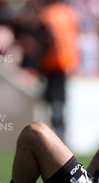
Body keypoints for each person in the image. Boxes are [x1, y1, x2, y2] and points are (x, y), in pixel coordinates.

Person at [37, 0, 79, 141]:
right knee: (59, 99)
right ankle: (60, 133)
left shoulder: (48, 13)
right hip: (66, 61)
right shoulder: (67, 12)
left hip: (52, 62)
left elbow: (47, 38)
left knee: (54, 99)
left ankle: (57, 134)